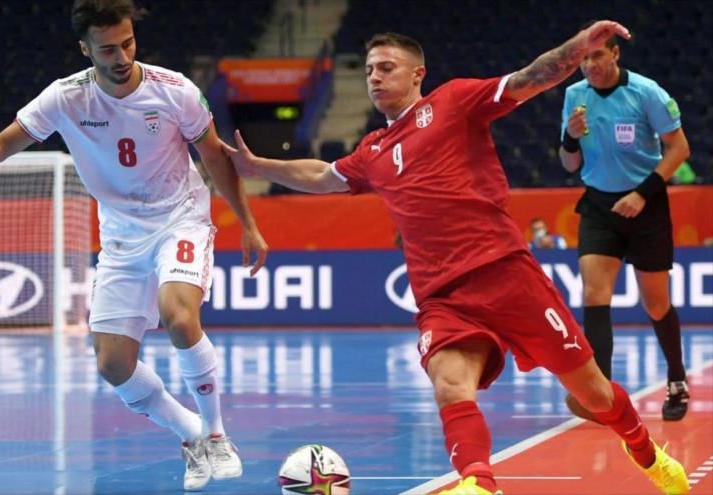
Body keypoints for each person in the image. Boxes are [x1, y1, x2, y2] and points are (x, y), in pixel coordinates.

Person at [225, 23, 689, 495]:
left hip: (505, 274)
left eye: (387, 68)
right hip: (441, 295)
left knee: (595, 394)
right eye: (368, 70)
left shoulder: (455, 101)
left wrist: (577, 49)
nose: (374, 78)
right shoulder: (372, 151)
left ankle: (647, 453)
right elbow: (323, 175)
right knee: (449, 383)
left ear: (417, 74)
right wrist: (257, 166)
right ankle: (478, 483)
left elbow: (532, 77)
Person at [0, 0, 268, 491]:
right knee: (113, 365)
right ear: (85, 49)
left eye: (128, 44)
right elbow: (0, 144)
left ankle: (218, 434)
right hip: (120, 237)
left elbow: (217, 159)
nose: (121, 57)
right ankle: (193, 435)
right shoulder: (64, 97)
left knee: (179, 315)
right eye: (108, 49)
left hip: (180, 218)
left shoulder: (175, 90)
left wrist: (248, 223)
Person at [559, 27, 691, 422]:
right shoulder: (574, 97)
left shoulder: (646, 92)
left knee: (656, 302)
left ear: (615, 54)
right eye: (583, 59)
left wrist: (641, 194)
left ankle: (677, 379)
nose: (589, 66)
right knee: (594, 293)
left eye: (597, 57)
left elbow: (680, 148)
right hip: (599, 205)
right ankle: (601, 397)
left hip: (645, 204)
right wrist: (569, 137)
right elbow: (569, 164)